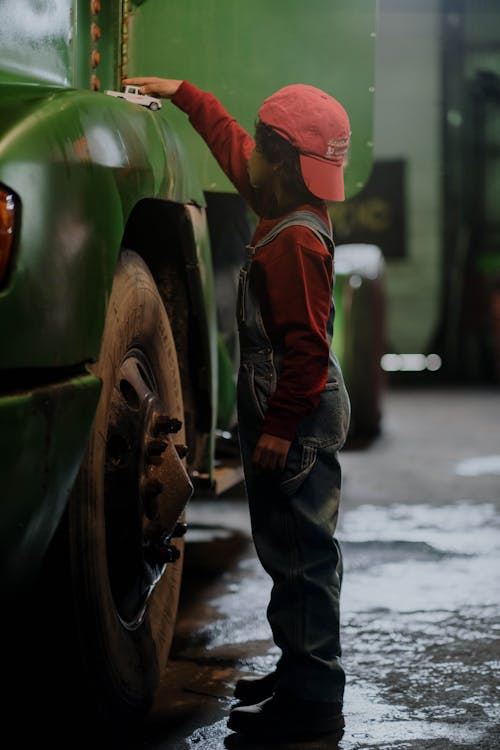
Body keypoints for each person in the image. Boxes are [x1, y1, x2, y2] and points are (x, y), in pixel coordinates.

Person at [123, 75, 352, 741]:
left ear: (277, 159)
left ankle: (315, 698)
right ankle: (297, 670)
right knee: (285, 552)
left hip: (296, 413)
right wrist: (187, 95)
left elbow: (308, 348)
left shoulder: (296, 240)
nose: (245, 154)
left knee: (305, 559)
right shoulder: (280, 200)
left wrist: (281, 428)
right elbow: (231, 143)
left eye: (261, 150)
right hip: (284, 405)